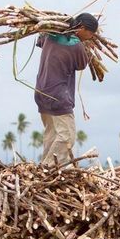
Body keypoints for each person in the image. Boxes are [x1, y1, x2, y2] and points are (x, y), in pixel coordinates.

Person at [34, 13, 98, 165]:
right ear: (81, 28)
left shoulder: (50, 35)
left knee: (52, 134)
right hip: (58, 95)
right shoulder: (75, 45)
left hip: (41, 92)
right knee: (67, 136)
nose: (89, 37)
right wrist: (83, 45)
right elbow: (82, 64)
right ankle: (47, 168)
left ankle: (46, 167)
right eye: (90, 34)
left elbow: (40, 40)